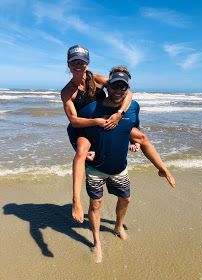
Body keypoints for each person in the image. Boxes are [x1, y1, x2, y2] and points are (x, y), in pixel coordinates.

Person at [77, 66, 176, 263]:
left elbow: (136, 128)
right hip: (95, 168)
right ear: (108, 86)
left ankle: (118, 226)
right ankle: (97, 242)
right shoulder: (92, 109)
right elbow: (74, 129)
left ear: (127, 88)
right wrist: (81, 149)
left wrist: (135, 143)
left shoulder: (133, 107)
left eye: (122, 87)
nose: (118, 91)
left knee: (126, 199)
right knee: (95, 204)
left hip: (119, 168)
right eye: (114, 86)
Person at [61, 45, 133, 223]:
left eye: (82, 61)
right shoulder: (67, 92)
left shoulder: (98, 80)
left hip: (107, 122)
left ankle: (160, 167)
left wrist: (119, 114)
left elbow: (127, 93)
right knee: (81, 153)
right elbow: (75, 121)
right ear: (69, 65)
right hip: (85, 127)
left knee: (140, 137)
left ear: (87, 63)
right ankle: (76, 200)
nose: (78, 64)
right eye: (74, 62)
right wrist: (97, 121)